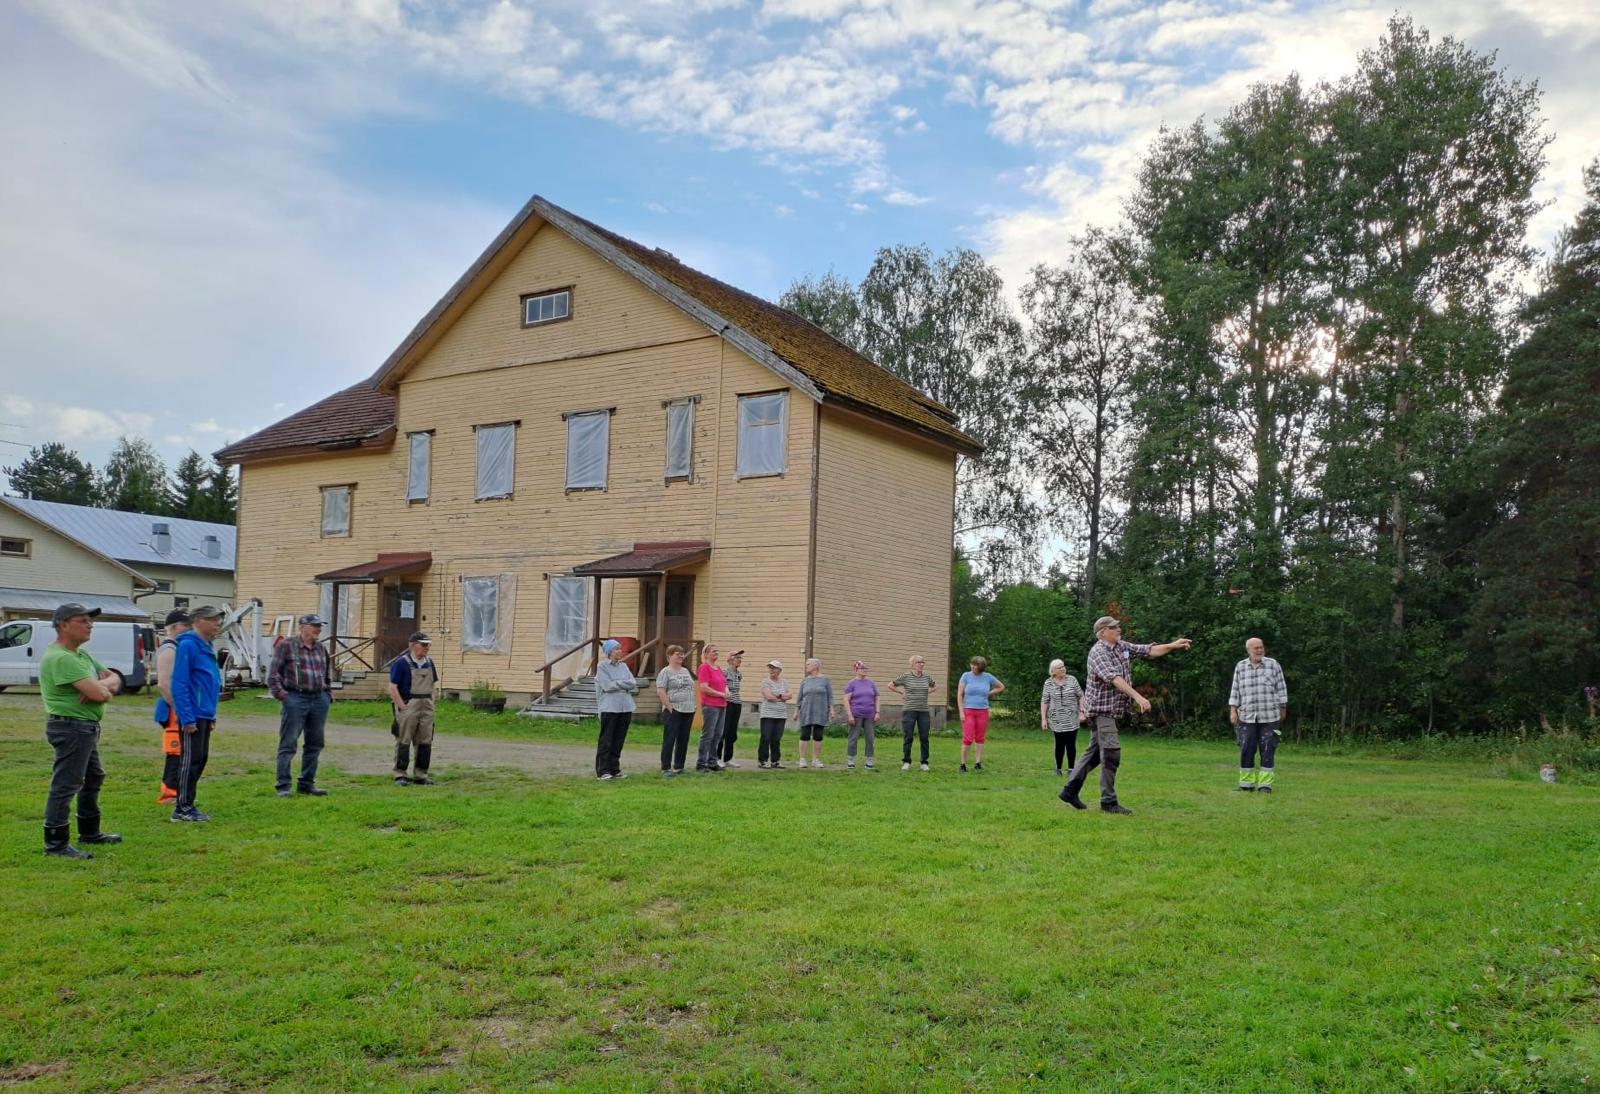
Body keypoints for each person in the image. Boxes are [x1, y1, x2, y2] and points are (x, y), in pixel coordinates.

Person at [1060, 616, 1192, 815]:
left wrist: (1173, 645)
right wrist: (1139, 697)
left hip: (1112, 711)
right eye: (1114, 627)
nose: (1119, 629)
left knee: (1095, 754)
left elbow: (1148, 650)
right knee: (1111, 753)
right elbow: (1115, 679)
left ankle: (1070, 791)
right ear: (1103, 632)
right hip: (1101, 711)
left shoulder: (1121, 646)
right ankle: (1109, 802)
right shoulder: (1098, 652)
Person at [39, 603, 123, 859]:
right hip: (71, 727)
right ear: (63, 625)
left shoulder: (81, 656)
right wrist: (100, 689)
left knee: (94, 776)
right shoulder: (62, 658)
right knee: (66, 784)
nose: (90, 625)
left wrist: (99, 685)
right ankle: (55, 844)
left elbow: (116, 678)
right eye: (83, 621)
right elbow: (102, 694)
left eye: (90, 621)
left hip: (83, 727)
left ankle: (89, 831)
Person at [169, 605, 224, 822]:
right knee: (189, 761)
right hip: (193, 713)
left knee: (200, 759)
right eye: (212, 619)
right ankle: (181, 808)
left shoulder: (207, 645)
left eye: (218, 619)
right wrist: (187, 717)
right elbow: (180, 683)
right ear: (198, 621)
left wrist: (211, 715)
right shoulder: (188, 645)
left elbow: (209, 682)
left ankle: (188, 804)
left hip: (205, 713)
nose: (217, 623)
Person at [269, 613, 332, 797]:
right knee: (288, 743)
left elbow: (327, 672)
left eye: (320, 626)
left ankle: (307, 783)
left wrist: (327, 695)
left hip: (318, 699)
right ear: (302, 627)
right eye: (315, 626)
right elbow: (273, 675)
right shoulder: (286, 646)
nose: (318, 630)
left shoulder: (321, 648)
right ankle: (283, 785)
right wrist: (283, 696)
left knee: (315, 743)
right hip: (295, 697)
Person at [1229, 637, 1288, 793]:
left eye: (1261, 647)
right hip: (1246, 716)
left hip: (1270, 716)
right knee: (1246, 748)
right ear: (1248, 650)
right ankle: (1245, 784)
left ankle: (1265, 785)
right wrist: (1233, 710)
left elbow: (1282, 688)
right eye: (1256, 648)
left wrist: (1283, 708)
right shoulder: (1240, 667)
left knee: (1268, 749)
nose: (1260, 650)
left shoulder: (1273, 665)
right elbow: (1235, 690)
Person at [388, 631, 438, 786]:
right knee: (404, 739)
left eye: (428, 645)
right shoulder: (401, 663)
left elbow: (434, 684)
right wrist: (402, 706)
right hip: (409, 704)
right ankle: (400, 774)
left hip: (426, 705)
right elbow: (392, 687)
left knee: (425, 740)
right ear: (413, 645)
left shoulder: (430, 663)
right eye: (423, 645)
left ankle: (421, 774)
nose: (426, 648)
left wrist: (432, 700)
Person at [153, 608, 190, 804]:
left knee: (184, 752)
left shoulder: (178, 648)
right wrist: (179, 708)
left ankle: (180, 792)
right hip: (173, 709)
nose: (189, 629)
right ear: (174, 627)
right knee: (175, 751)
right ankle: (169, 794)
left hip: (179, 707)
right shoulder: (168, 650)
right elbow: (163, 684)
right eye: (186, 625)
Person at [594, 639, 639, 780]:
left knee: (619, 739)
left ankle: (614, 768)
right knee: (607, 739)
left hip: (625, 706)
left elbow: (633, 683)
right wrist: (623, 684)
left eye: (620, 648)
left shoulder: (624, 666)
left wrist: (618, 683)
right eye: (616, 649)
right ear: (609, 652)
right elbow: (607, 686)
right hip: (610, 707)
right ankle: (603, 770)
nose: (619, 651)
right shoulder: (602, 667)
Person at [957, 656, 1004, 772]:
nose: (973, 666)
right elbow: (959, 694)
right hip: (968, 710)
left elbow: (1001, 687)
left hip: (983, 711)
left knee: (980, 738)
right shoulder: (966, 676)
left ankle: (978, 763)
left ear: (981, 667)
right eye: (972, 664)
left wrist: (989, 693)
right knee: (967, 738)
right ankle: (963, 764)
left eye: (975, 665)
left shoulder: (987, 677)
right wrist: (961, 711)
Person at [1040, 658, 1085, 777]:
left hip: (1071, 718)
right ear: (1053, 671)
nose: (1063, 669)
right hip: (1056, 719)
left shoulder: (1072, 680)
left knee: (1071, 744)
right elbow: (1044, 701)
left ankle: (1071, 769)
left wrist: (1082, 712)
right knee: (1059, 744)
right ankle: (1058, 769)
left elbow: (1081, 696)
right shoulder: (1048, 683)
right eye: (1060, 667)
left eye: (1063, 666)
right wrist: (1044, 719)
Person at [890, 655, 936, 771]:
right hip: (909, 710)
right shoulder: (905, 676)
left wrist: (927, 693)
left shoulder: (927, 676)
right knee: (908, 736)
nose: (922, 664)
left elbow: (934, 686)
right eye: (919, 662)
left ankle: (924, 763)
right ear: (912, 664)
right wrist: (901, 693)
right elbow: (890, 685)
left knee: (924, 737)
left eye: (923, 662)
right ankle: (906, 761)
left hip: (923, 710)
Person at [656, 645, 696, 777]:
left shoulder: (685, 671)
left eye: (682, 653)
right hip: (674, 709)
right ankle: (666, 767)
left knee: (683, 739)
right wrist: (669, 706)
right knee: (670, 738)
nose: (680, 656)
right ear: (669, 656)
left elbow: (691, 688)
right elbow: (661, 691)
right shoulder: (665, 672)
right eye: (677, 654)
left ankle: (679, 766)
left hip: (688, 709)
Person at [695, 643, 731, 772]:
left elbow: (723, 683)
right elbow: (704, 687)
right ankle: (701, 762)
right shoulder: (704, 667)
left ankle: (712, 760)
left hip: (722, 704)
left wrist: (726, 691)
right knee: (708, 734)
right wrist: (721, 694)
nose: (716, 653)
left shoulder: (718, 668)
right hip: (710, 705)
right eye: (713, 651)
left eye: (717, 651)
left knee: (718, 734)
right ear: (706, 654)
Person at [795, 658, 835, 768]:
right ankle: (802, 759)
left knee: (818, 735)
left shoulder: (825, 680)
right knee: (804, 735)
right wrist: (796, 711)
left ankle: (815, 759)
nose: (806, 666)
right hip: (806, 711)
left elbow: (830, 696)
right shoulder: (805, 680)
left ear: (816, 666)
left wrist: (831, 709)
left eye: (808, 664)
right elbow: (799, 697)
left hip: (821, 711)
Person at [844, 660, 880, 770]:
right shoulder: (851, 684)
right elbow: (846, 699)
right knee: (853, 738)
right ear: (856, 670)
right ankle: (851, 760)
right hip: (856, 714)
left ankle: (869, 760)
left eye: (866, 668)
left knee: (870, 738)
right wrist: (849, 715)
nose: (865, 670)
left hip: (870, 714)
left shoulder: (871, 683)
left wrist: (877, 712)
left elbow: (877, 697)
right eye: (862, 668)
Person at [758, 659, 791, 769]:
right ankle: (763, 760)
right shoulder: (765, 682)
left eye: (774, 668)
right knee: (766, 737)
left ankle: (775, 760)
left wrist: (778, 696)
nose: (771, 670)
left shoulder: (784, 682)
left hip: (781, 714)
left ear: (779, 670)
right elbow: (768, 696)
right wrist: (782, 697)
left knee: (776, 738)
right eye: (770, 668)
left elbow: (790, 695)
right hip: (768, 713)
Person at [719, 651, 745, 768]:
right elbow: (721, 686)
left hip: (737, 703)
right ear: (730, 660)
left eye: (740, 658)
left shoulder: (739, 674)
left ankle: (728, 758)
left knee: (732, 732)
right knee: (723, 731)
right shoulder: (724, 672)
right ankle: (717, 757)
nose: (739, 660)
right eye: (736, 657)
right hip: (727, 703)